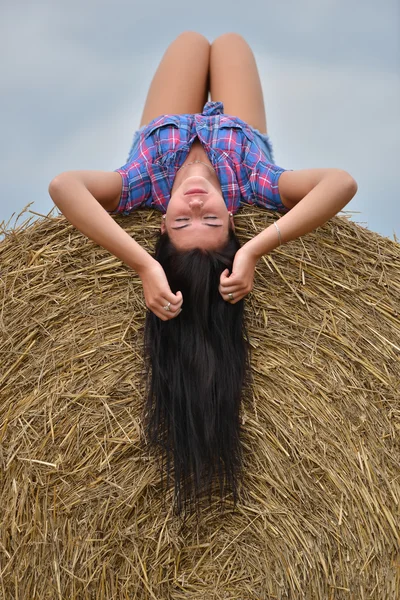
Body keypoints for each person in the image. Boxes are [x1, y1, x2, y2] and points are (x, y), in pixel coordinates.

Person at [49, 32, 358, 515]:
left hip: (164, 124)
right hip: (240, 125)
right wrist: (255, 250)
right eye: (211, 221)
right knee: (232, 44)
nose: (196, 205)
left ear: (160, 218)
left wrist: (145, 264)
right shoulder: (252, 178)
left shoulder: (142, 183)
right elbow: (341, 182)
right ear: (232, 217)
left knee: (190, 43)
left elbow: (63, 185)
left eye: (181, 221)